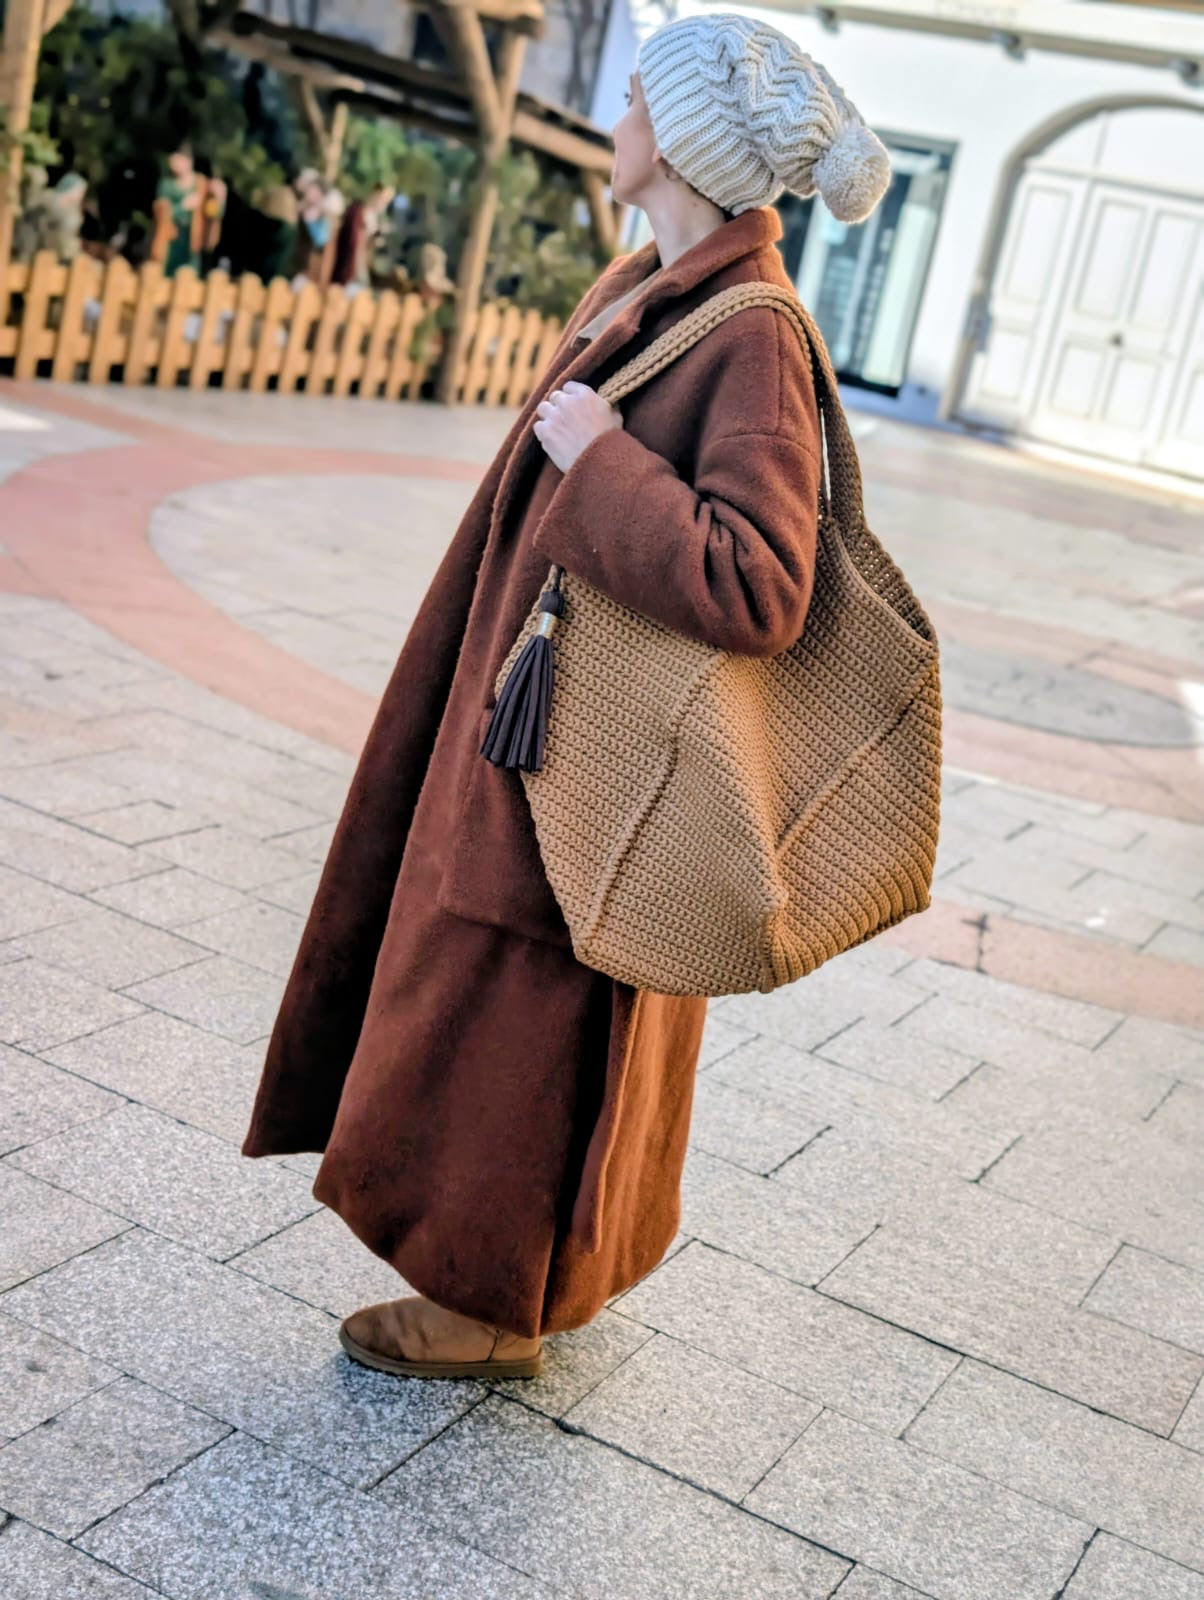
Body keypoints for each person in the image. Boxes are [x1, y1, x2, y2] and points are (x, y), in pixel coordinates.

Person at [240, 11, 890, 1379]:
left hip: (592, 761)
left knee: (529, 1005)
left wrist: (604, 463)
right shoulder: (655, 281)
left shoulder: (750, 338)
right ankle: (506, 1271)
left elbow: (762, 582)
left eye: (637, 101)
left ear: (686, 142)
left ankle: (491, 1304)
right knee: (491, 980)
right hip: (531, 717)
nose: (614, 122)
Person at [150, 143, 225, 276]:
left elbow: (213, 214)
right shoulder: (166, 185)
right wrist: (183, 206)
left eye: (177, 158)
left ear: (188, 161)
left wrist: (220, 200)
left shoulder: (202, 185)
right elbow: (160, 215)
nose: (173, 162)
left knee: (188, 279)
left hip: (191, 245)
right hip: (169, 243)